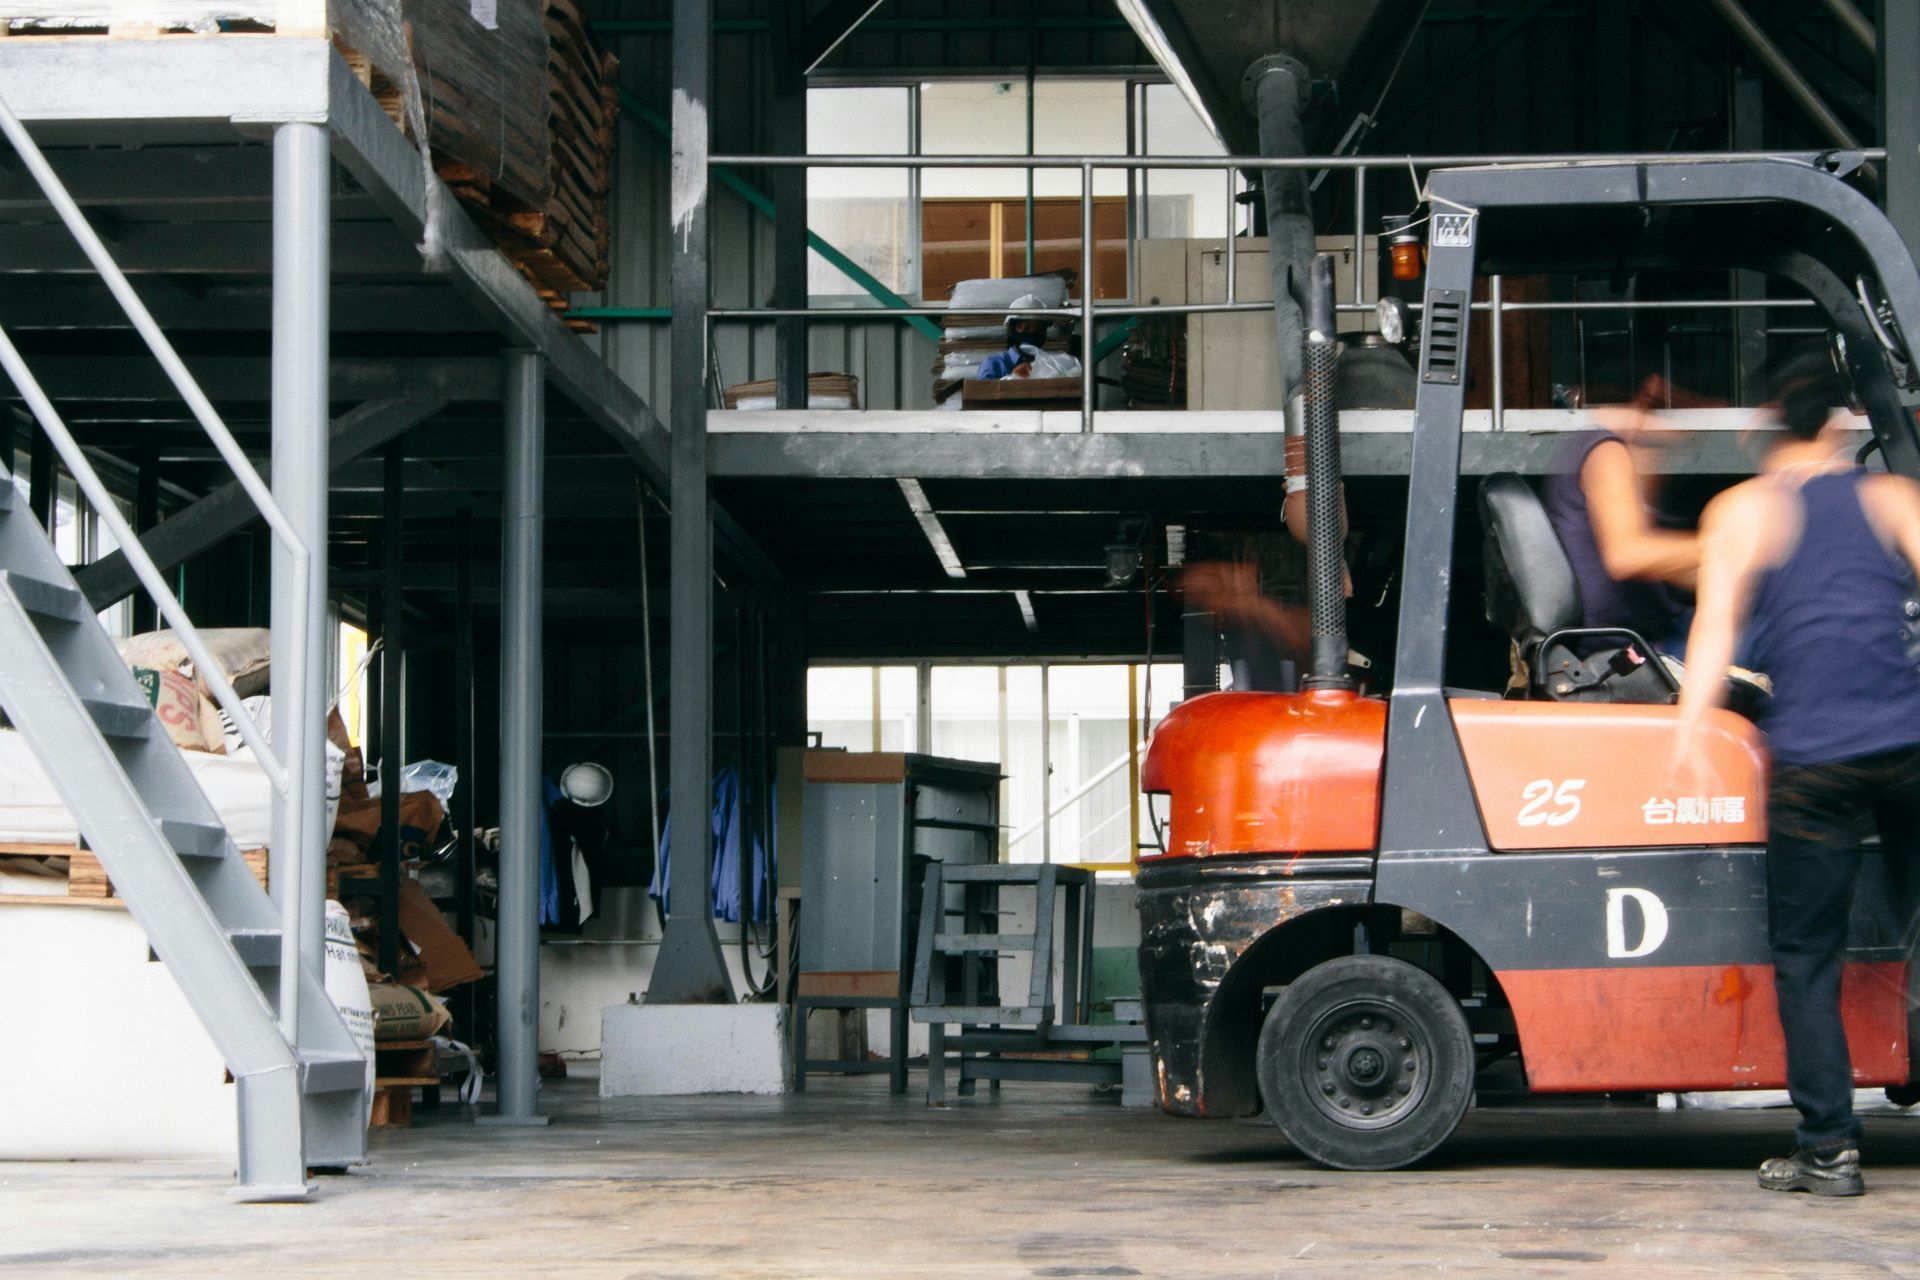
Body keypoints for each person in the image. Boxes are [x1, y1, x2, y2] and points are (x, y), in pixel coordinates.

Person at [1670, 346, 1920, 1198]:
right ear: (1842, 420)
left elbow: (1711, 634)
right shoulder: (1894, 497)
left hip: (1814, 761)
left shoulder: (1740, 510)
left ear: (1764, 426)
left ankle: (1829, 1151)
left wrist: (1687, 734)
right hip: (1911, 746)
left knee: (1809, 959)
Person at [1541, 390, 1699, 654]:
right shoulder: (1605, 449)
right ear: (1645, 405)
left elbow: (1660, 564)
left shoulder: (1606, 449)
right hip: (1630, 647)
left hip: (1645, 631)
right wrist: (1728, 545)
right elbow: (1628, 554)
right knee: (1767, 632)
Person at [976, 297, 1053, 380]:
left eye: (1039, 330)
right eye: (1026, 328)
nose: (1032, 334)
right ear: (1012, 329)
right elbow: (983, 391)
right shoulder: (994, 363)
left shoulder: (1050, 365)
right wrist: (1013, 378)